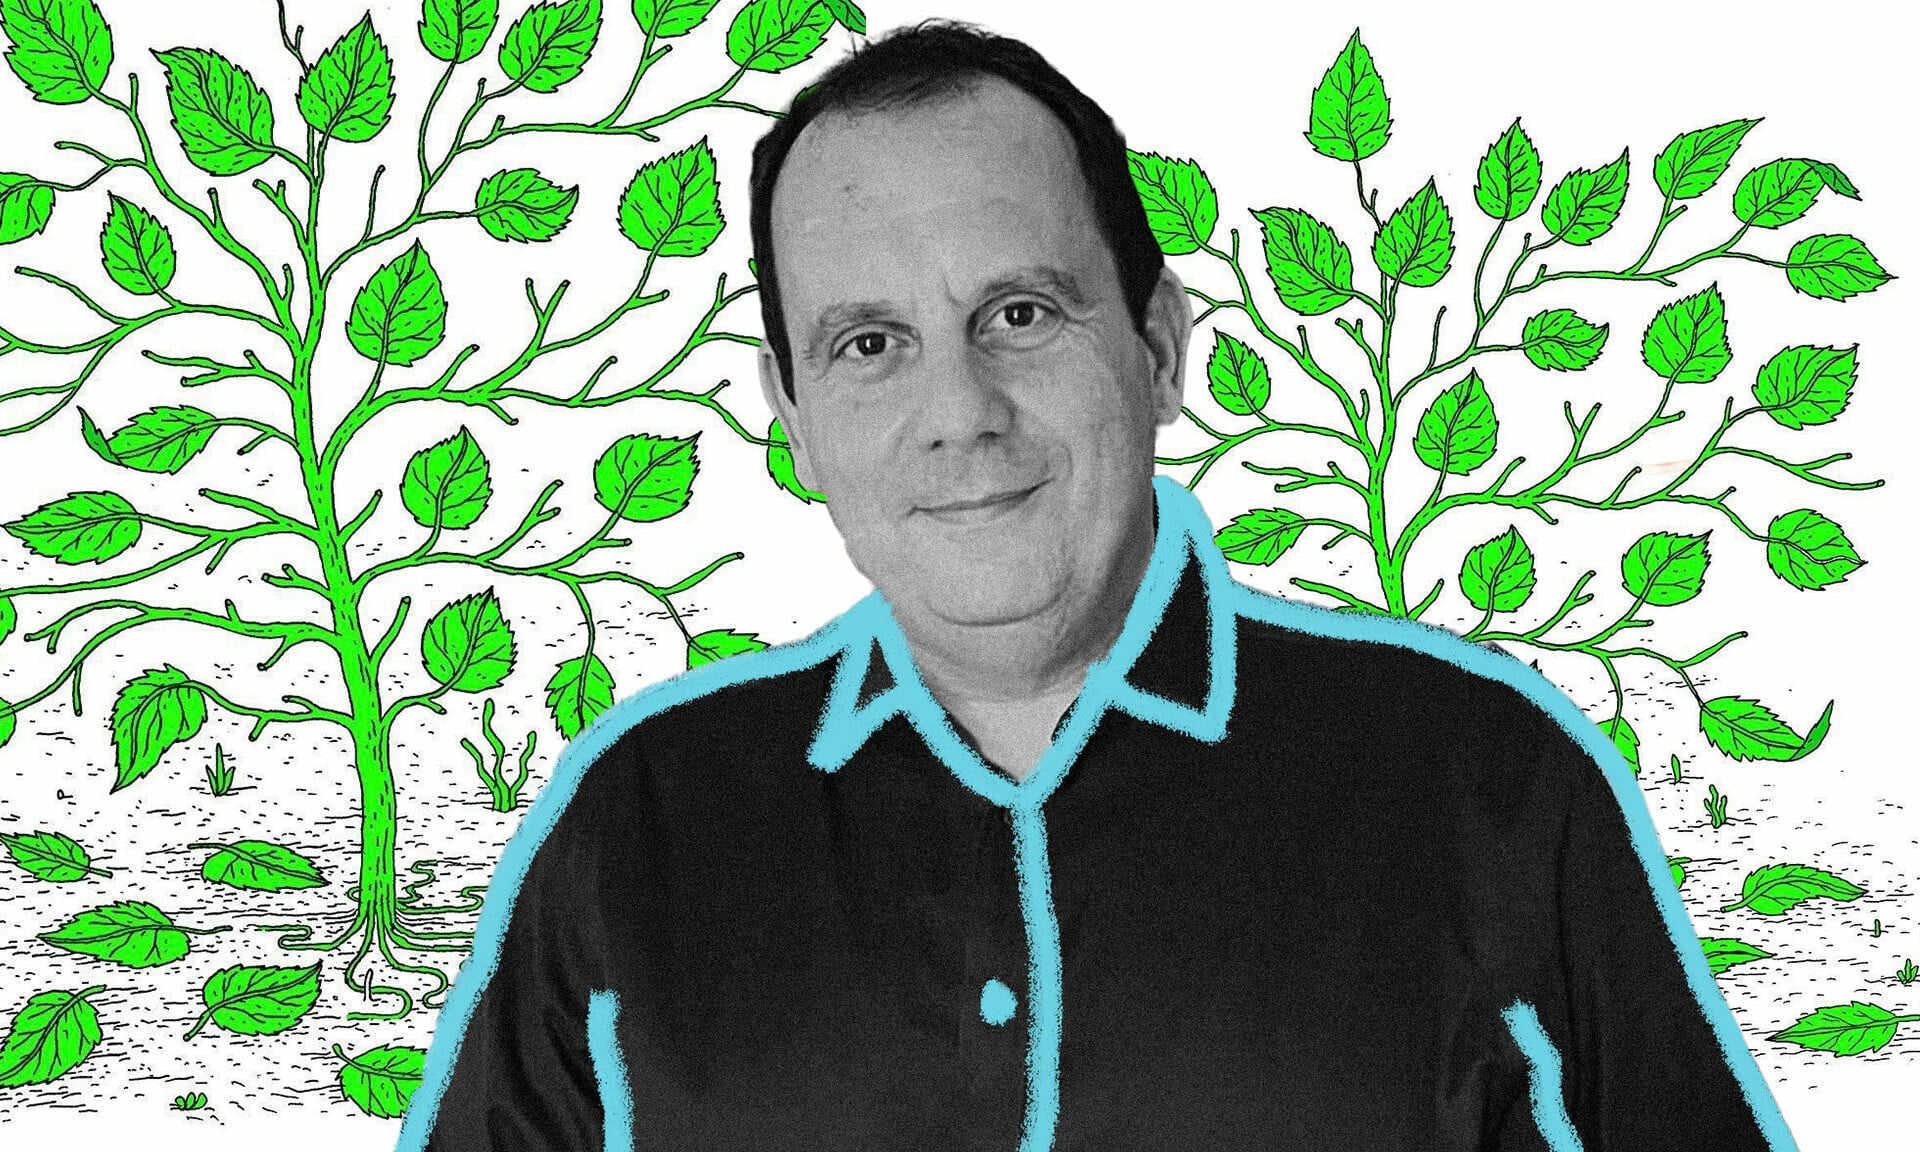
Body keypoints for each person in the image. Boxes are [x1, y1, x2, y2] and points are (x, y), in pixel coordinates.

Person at [397, 21, 1799, 1152]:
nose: (960, 413)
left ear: (1159, 347)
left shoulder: (1490, 782)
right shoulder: (634, 822)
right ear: (794, 419)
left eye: (1019, 314)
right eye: (870, 344)